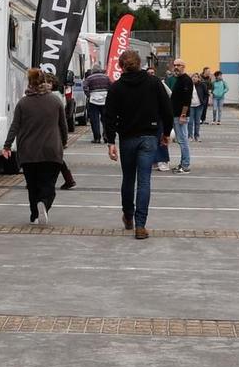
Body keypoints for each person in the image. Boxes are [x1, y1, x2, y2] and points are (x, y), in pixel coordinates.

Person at [104, 49, 174, 239]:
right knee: (144, 181)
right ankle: (141, 225)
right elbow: (167, 109)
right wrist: (166, 133)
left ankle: (128, 215)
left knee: (128, 179)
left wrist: (110, 141)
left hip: (127, 138)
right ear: (141, 63)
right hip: (149, 137)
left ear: (120, 66)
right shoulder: (153, 83)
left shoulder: (117, 87)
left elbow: (108, 115)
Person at [3, 66, 70, 225]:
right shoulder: (55, 101)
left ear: (30, 83)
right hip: (51, 151)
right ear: (45, 81)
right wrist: (64, 142)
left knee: (32, 186)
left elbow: (15, 126)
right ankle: (44, 204)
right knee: (48, 185)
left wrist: (7, 146)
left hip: (28, 152)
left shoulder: (23, 103)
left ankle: (34, 215)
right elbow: (63, 125)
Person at [164, 60, 195, 173]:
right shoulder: (179, 79)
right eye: (175, 65)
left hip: (180, 115)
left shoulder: (186, 80)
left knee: (183, 141)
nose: (176, 67)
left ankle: (185, 165)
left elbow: (187, 100)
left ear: (183, 67)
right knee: (181, 140)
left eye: (178, 65)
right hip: (176, 114)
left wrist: (183, 115)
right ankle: (183, 163)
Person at [83, 67, 112, 144]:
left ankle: (97, 138)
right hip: (105, 100)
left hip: (93, 100)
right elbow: (111, 86)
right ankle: (106, 136)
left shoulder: (89, 78)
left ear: (93, 71)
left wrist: (89, 95)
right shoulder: (106, 77)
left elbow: (85, 87)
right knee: (105, 120)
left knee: (94, 120)